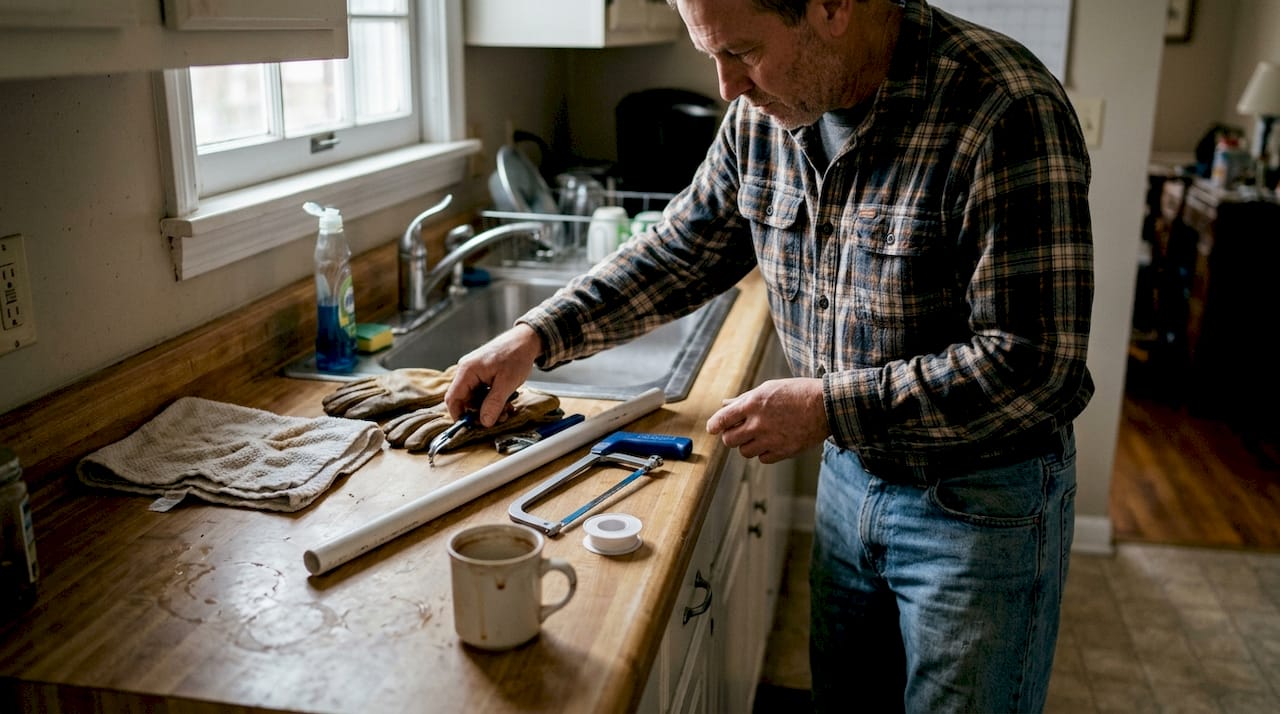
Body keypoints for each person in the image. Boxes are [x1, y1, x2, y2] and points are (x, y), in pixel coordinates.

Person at [446, 0, 1093, 711]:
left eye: (743, 52)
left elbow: (1033, 364)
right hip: (851, 482)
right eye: (712, 56)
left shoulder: (1002, 107)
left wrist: (826, 407)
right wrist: (535, 335)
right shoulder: (766, 114)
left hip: (979, 505)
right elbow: (681, 250)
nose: (726, 86)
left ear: (834, 7)